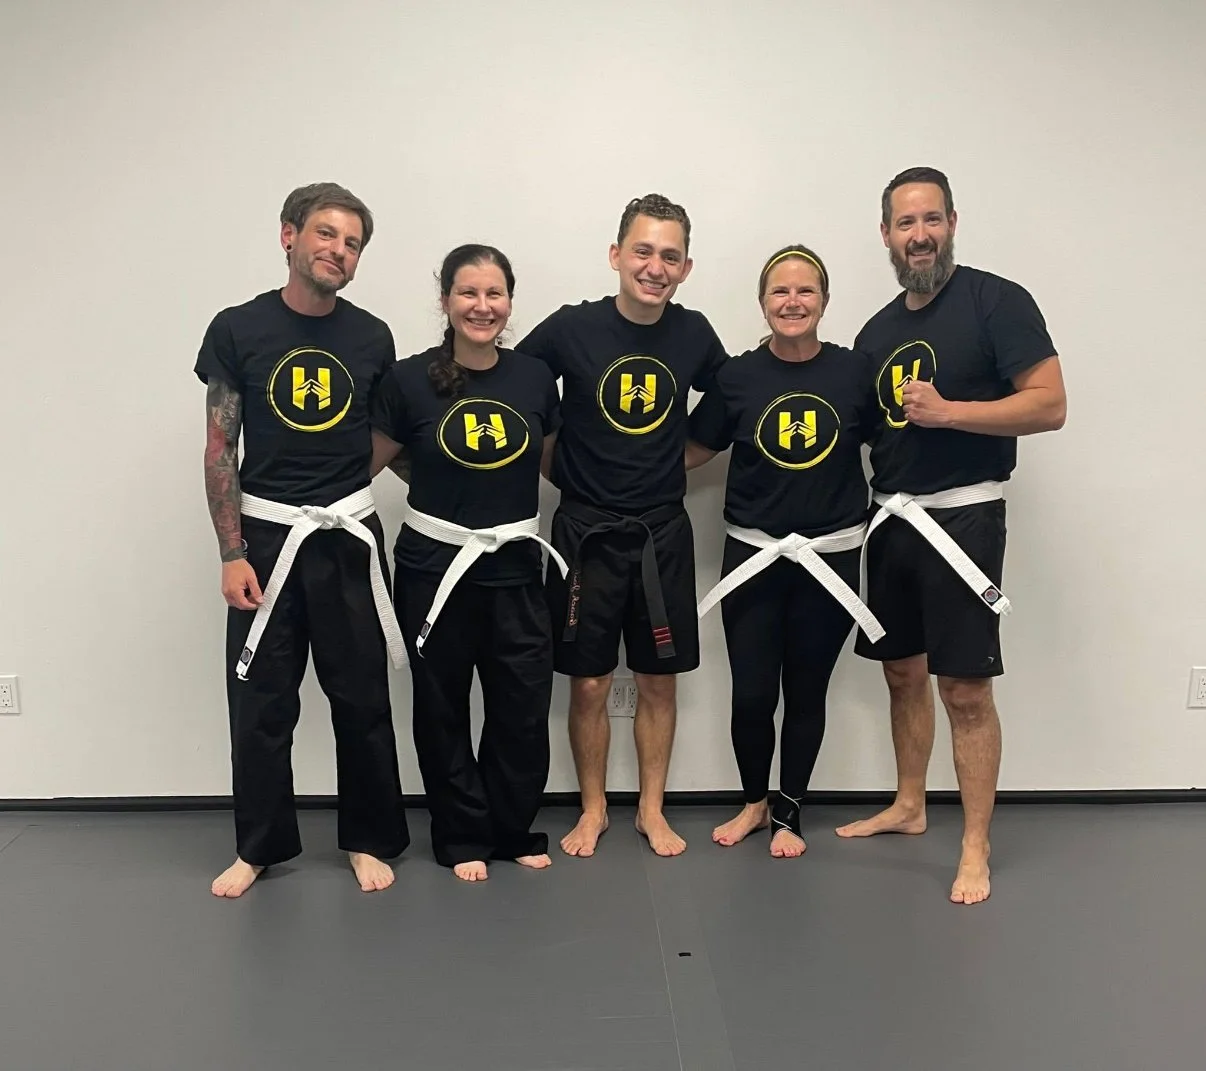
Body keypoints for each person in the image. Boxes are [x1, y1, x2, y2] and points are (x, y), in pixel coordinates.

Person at [836, 167, 1067, 905]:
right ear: (886, 235)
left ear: (953, 222)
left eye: (931, 219)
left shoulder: (996, 301)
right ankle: (908, 804)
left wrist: (953, 412)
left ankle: (974, 844)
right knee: (902, 672)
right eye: (905, 223)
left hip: (965, 519)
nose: (920, 235)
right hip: (893, 520)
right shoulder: (875, 332)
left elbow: (1050, 404)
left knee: (964, 687)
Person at [196, 182, 409, 899]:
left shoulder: (372, 336)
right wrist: (232, 550)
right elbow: (220, 443)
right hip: (262, 536)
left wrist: (343, 491)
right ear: (289, 235)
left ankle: (370, 837)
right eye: (326, 234)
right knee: (261, 702)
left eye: (351, 243)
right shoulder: (237, 328)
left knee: (362, 697)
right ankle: (259, 845)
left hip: (346, 536)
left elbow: (386, 432)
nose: (338, 251)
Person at [518, 194, 728, 858]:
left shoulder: (694, 335)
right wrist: (565, 466)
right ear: (616, 255)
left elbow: (727, 412)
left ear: (686, 267)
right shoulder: (570, 329)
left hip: (661, 531)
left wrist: (672, 461)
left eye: (670, 255)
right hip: (583, 531)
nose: (654, 266)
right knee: (588, 680)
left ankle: (652, 808)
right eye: (643, 250)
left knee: (659, 678)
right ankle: (593, 807)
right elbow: (516, 393)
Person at [370, 245, 563, 883]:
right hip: (434, 570)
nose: (483, 307)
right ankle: (459, 835)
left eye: (495, 294)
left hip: (514, 569)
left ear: (510, 301)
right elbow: (375, 463)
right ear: (446, 300)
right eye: (468, 293)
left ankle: (509, 828)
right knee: (442, 705)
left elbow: (549, 461)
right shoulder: (407, 379)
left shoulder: (534, 378)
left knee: (521, 708)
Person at [685, 246, 884, 857]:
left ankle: (789, 808)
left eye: (806, 292)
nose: (792, 302)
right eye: (780, 292)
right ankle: (753, 802)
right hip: (753, 556)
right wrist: (617, 477)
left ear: (824, 301)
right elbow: (695, 447)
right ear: (763, 302)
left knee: (806, 689)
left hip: (830, 556)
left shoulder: (855, 372)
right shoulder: (738, 377)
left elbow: (894, 446)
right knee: (751, 692)